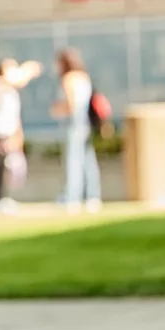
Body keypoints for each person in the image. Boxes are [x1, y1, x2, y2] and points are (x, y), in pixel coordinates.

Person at [0, 60, 38, 214]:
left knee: (7, 166)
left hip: (8, 131)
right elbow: (15, 80)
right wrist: (28, 70)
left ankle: (3, 197)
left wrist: (18, 134)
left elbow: (14, 115)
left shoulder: (11, 90)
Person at [53, 48, 103, 211]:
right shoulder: (84, 77)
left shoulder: (68, 79)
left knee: (73, 161)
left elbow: (71, 105)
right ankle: (93, 196)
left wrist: (58, 109)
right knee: (88, 160)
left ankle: (72, 197)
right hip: (86, 124)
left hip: (74, 124)